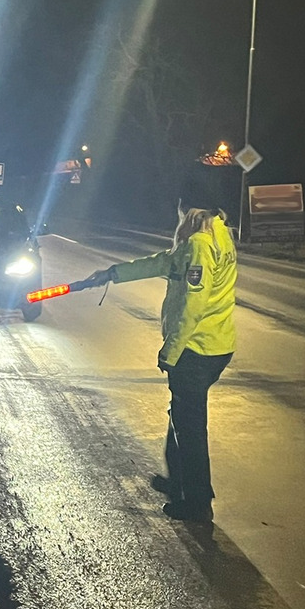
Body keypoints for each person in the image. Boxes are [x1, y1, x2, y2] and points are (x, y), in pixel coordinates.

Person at [86, 202, 237, 522]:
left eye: (181, 210)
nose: (179, 217)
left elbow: (193, 305)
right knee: (182, 416)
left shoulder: (199, 244)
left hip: (196, 349)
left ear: (190, 210)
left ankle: (197, 502)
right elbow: (163, 263)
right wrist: (113, 273)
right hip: (216, 345)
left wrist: (171, 351)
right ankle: (178, 481)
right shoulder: (220, 234)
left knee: (190, 427)